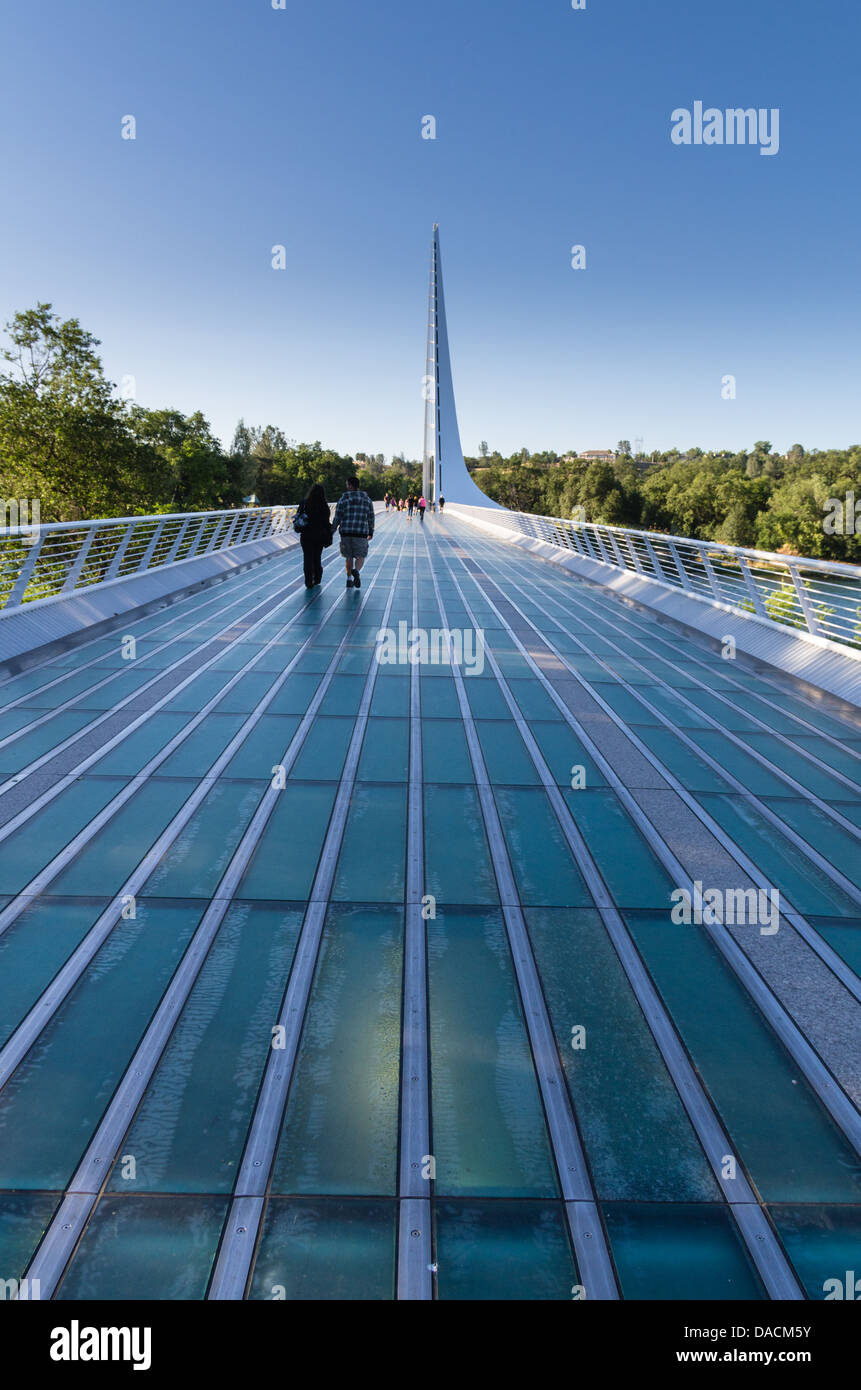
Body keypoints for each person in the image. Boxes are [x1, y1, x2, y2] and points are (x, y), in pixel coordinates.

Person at [333, 475, 375, 589]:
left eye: (347, 484)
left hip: (346, 532)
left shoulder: (344, 498)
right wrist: (371, 530)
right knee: (361, 555)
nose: (346, 486)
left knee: (348, 556)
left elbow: (337, 516)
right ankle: (356, 571)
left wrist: (332, 530)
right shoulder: (367, 499)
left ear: (350, 485)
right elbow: (371, 516)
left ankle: (348, 579)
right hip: (361, 532)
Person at [294, 483, 333, 588]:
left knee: (307, 558)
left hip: (306, 535)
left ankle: (308, 581)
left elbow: (298, 516)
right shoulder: (324, 505)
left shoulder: (304, 503)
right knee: (317, 557)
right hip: (319, 536)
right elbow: (326, 521)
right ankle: (317, 578)